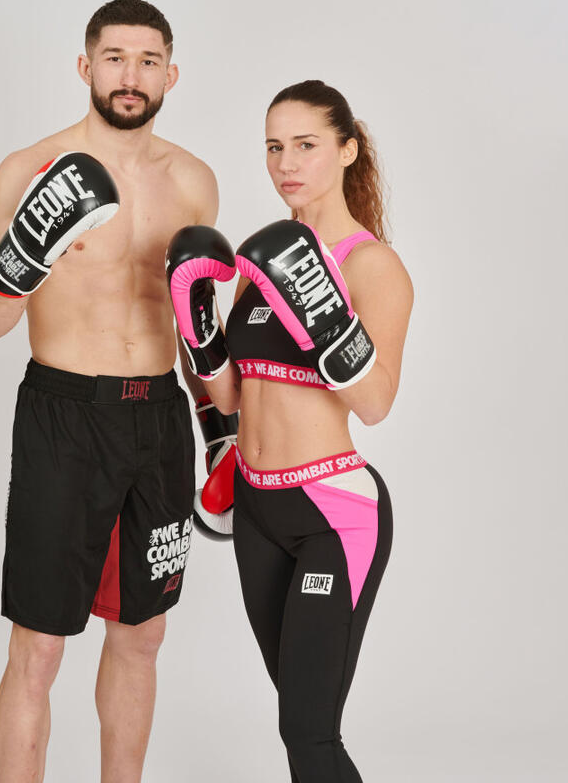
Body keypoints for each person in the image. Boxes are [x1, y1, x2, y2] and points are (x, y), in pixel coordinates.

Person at [0, 0, 218, 783]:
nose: (129, 76)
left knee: (142, 635)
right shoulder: (26, 169)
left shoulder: (195, 183)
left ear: (171, 72)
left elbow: (197, 327)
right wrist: (23, 256)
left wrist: (223, 431)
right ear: (85, 66)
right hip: (64, 416)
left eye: (146, 61)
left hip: (160, 422)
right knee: (39, 643)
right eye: (114, 58)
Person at [167, 79, 413, 782]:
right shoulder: (256, 260)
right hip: (258, 510)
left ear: (346, 150)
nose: (286, 164)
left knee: (310, 733)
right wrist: (200, 331)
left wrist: (325, 314)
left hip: (331, 516)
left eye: (305, 145)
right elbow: (233, 396)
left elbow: (376, 403)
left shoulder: (373, 266)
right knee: (297, 721)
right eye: (275, 147)